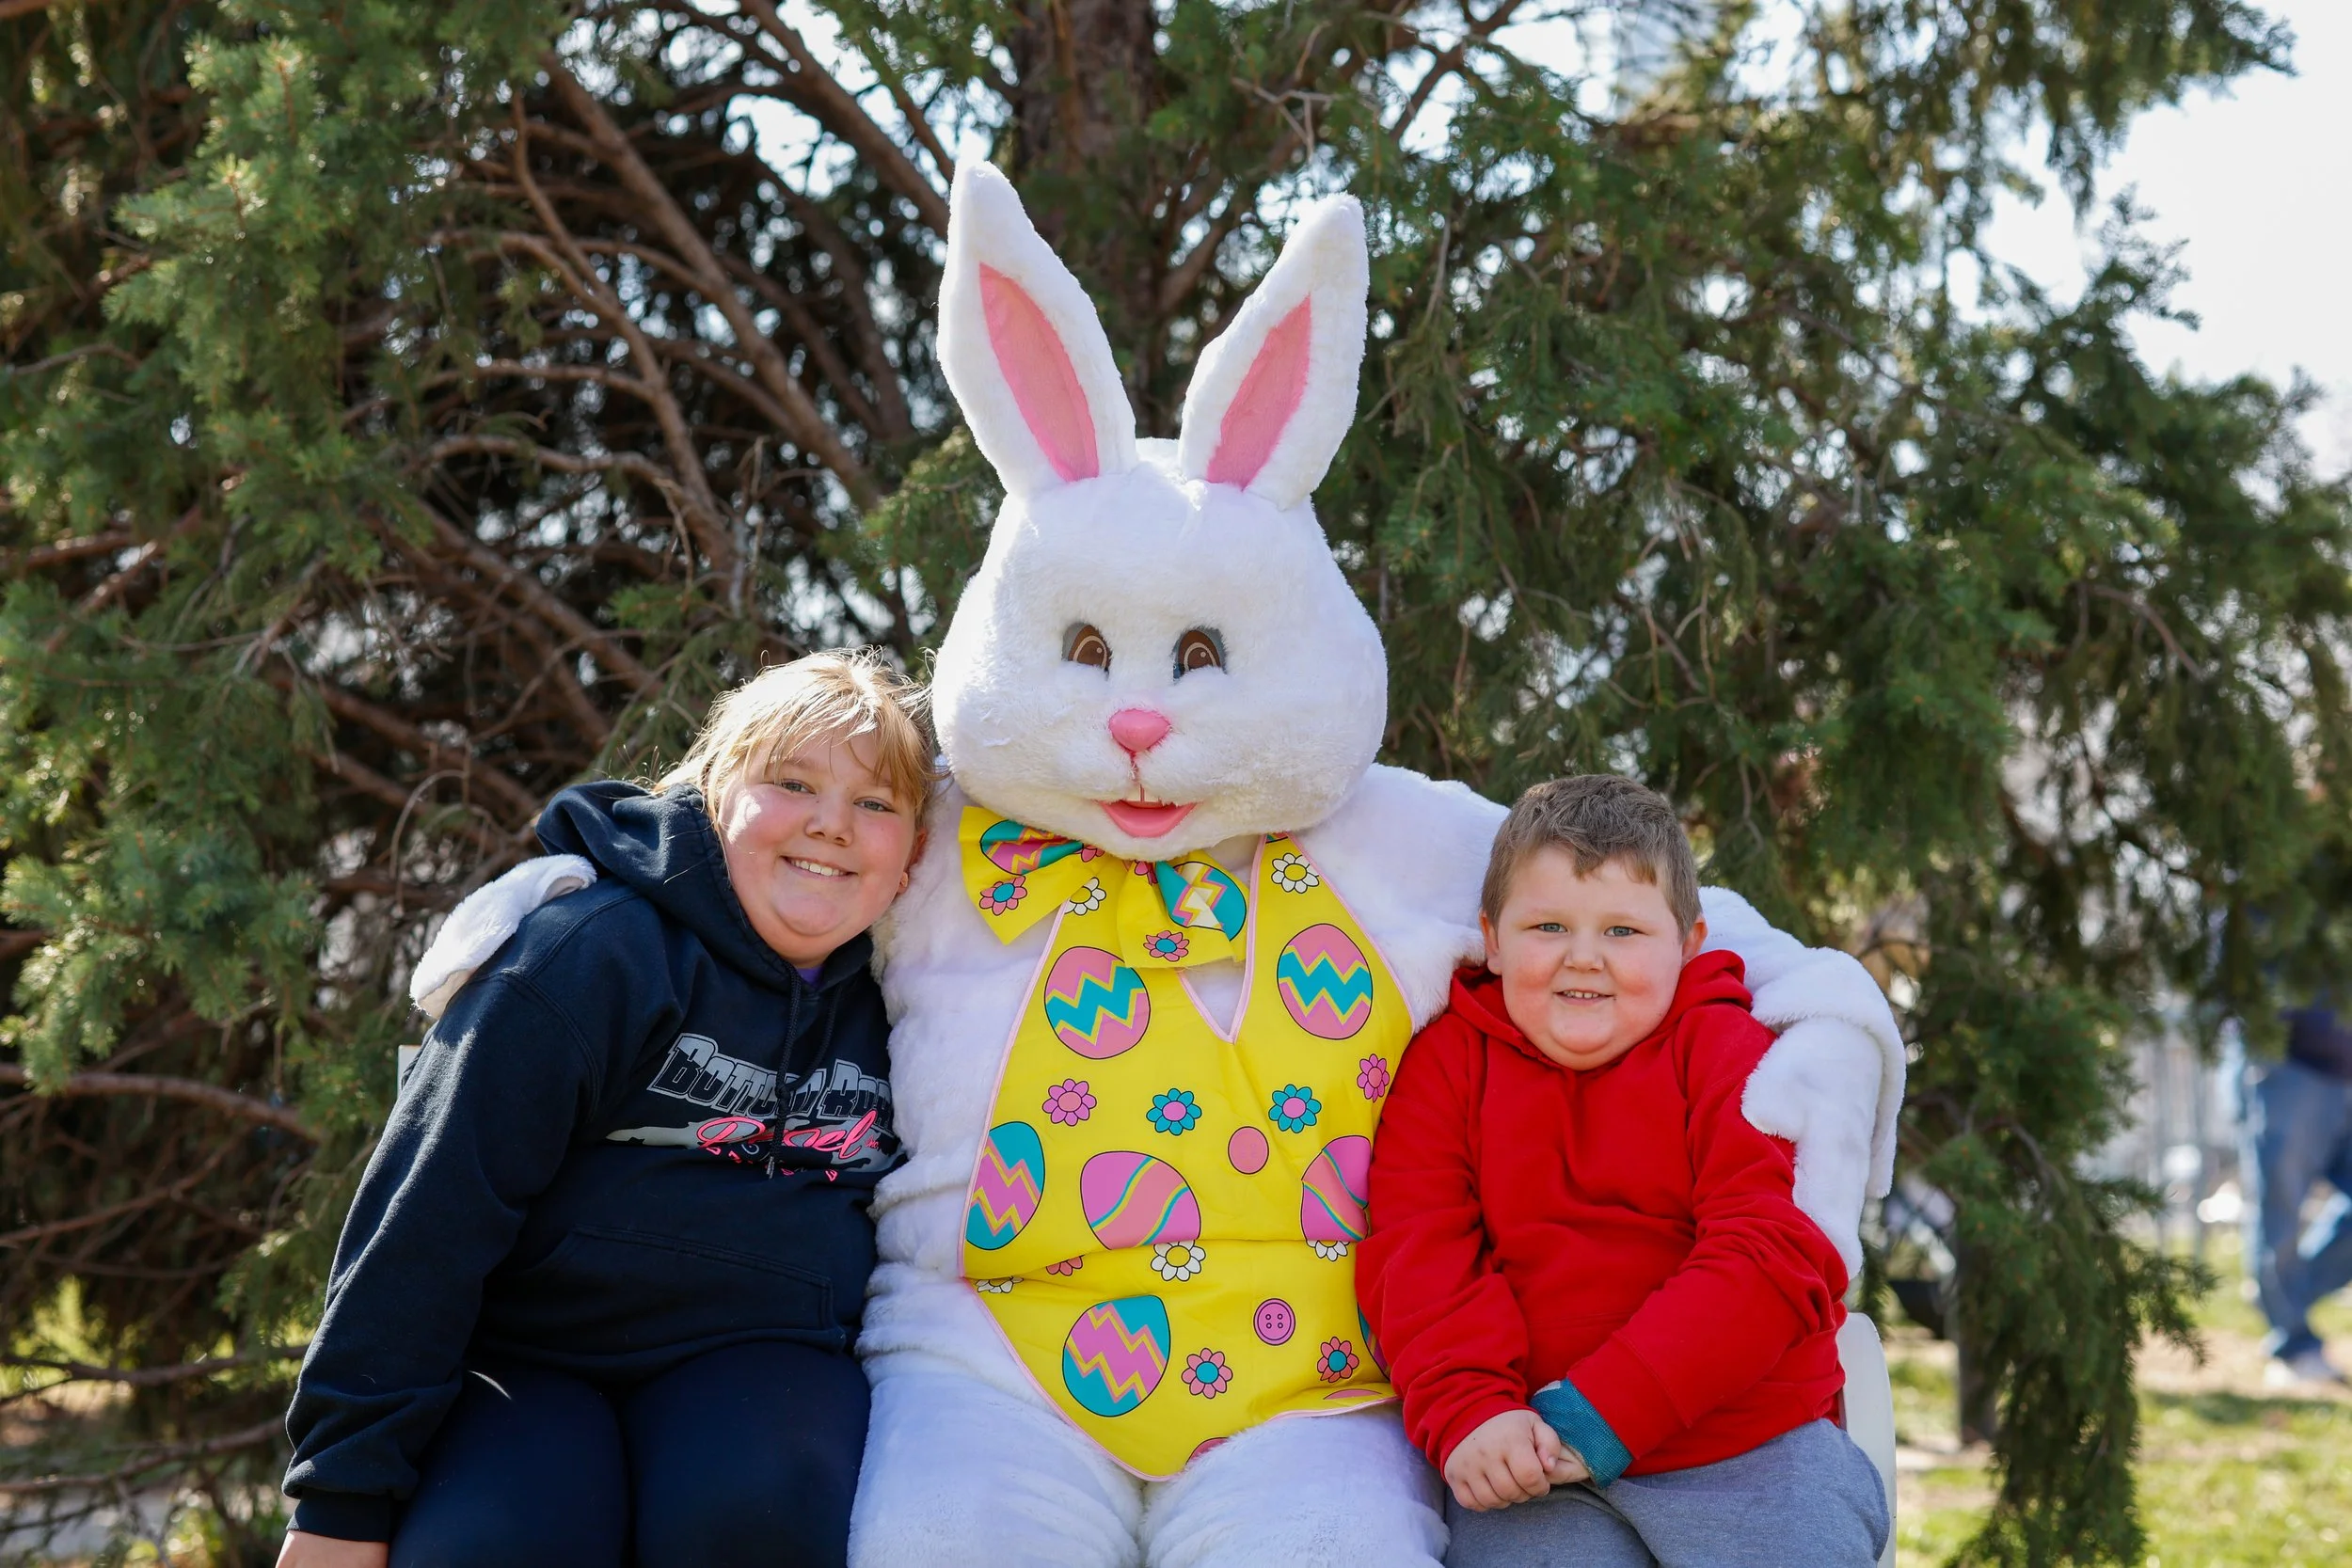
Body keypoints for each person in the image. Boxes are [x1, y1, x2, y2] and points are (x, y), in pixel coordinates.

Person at [276, 651, 932, 1568]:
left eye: (876, 803)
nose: (831, 823)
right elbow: (428, 1215)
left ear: (911, 855)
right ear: (713, 793)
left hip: (761, 1355)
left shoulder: (917, 1000)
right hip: (526, 1362)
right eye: (793, 781)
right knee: (495, 1543)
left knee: (759, 1512)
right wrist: (340, 1498)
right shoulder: (589, 954)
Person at [1358, 775, 1889, 1567]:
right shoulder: (1446, 1066)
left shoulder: (1727, 1054)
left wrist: (1604, 1414)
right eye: (1547, 924)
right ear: (1491, 938)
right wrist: (1470, 1409)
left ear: (1689, 942)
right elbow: (1418, 1252)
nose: (1584, 956)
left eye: (1622, 930)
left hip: (1753, 1445)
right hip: (1535, 1461)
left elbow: (1770, 1254)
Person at [2244, 1002, 2352, 1386]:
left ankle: (2278, 1296)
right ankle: (2293, 1346)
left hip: (2346, 1070)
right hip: (2290, 1067)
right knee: (2281, 1211)